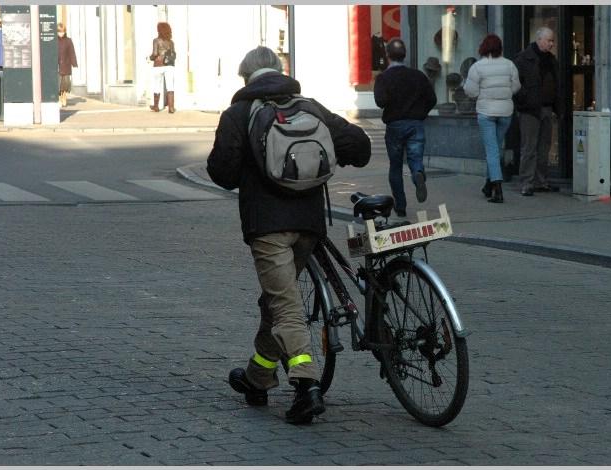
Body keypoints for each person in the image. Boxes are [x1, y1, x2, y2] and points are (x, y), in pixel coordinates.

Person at [206, 46, 371, 424]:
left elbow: (222, 173)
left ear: (245, 78)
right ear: (280, 71)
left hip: (267, 227)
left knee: (285, 305)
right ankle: (258, 378)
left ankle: (306, 385)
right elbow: (359, 148)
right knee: (277, 301)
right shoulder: (310, 107)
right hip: (310, 224)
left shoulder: (237, 114)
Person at [373, 38, 436, 217]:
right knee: (415, 159)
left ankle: (400, 206)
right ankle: (417, 174)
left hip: (394, 125)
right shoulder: (418, 76)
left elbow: (380, 101)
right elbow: (432, 99)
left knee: (395, 166)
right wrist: (420, 114)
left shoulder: (384, 78)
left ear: (387, 56)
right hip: (415, 124)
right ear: (405, 55)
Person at [464, 33, 521, 203]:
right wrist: (505, 94)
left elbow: (471, 91)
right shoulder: (509, 65)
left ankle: (498, 188)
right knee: (496, 148)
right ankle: (488, 184)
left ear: (484, 47)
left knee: (491, 150)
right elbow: (516, 86)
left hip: (486, 112)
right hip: (505, 112)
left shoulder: (477, 67)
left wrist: (483, 95)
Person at [513, 26, 560, 196]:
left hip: (547, 107)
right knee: (529, 147)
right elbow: (515, 85)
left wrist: (556, 106)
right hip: (530, 110)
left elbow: (556, 83)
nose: (551, 44)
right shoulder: (523, 59)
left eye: (552, 40)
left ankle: (541, 180)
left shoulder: (551, 60)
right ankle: (527, 182)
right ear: (539, 40)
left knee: (544, 147)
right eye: (549, 40)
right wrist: (525, 101)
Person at [149, 22, 176, 113]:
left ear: (159, 30)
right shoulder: (171, 42)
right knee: (170, 86)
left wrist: (150, 57)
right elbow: (173, 54)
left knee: (156, 85)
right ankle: (171, 108)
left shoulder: (156, 40)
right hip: (169, 66)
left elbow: (155, 53)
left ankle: (156, 106)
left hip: (158, 65)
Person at [57, 23, 78, 107]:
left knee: (65, 83)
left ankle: (64, 96)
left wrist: (74, 63)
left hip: (66, 64)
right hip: (57, 65)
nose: (61, 33)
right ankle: (59, 97)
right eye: (59, 31)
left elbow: (72, 52)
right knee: (59, 83)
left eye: (62, 31)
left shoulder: (68, 41)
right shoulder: (54, 40)